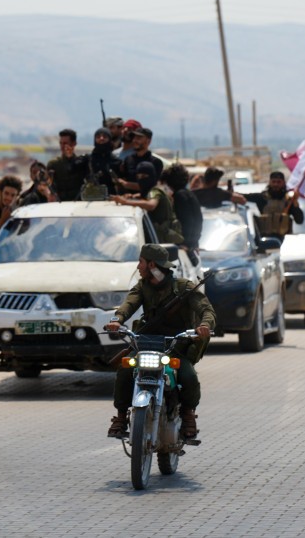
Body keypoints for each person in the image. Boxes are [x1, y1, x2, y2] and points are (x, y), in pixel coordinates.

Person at [105, 244, 215, 439]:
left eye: (141, 262)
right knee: (125, 370)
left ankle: (188, 415)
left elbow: (206, 309)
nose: (138, 266)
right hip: (146, 343)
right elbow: (129, 304)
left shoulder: (184, 288)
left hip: (176, 346)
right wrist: (117, 320)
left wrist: (204, 325)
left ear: (152, 264)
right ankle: (121, 417)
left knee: (188, 376)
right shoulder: (142, 287)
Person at [110, 161, 184, 245]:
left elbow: (151, 205)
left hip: (163, 240)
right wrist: (132, 196)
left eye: (144, 176)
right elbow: (146, 197)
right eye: (138, 177)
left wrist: (125, 202)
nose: (141, 179)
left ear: (152, 177)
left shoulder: (155, 191)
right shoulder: (155, 191)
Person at [233, 171, 305, 240]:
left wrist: (295, 203)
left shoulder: (288, 201)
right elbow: (243, 197)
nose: (276, 184)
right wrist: (230, 194)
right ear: (270, 182)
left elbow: (299, 220)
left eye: (278, 182)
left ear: (283, 183)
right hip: (264, 240)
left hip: (284, 240)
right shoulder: (262, 198)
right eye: (273, 182)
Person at [163, 163, 203, 265]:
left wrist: (184, 244)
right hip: (191, 245)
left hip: (185, 247)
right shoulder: (188, 193)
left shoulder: (180, 196)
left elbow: (187, 221)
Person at [117, 127, 164, 195]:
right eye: (134, 138)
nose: (135, 141)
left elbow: (152, 187)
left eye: (139, 138)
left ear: (148, 141)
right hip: (128, 200)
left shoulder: (156, 162)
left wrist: (126, 184)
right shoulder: (128, 160)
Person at [47, 128, 88, 202]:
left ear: (74, 143)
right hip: (60, 204)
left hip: (78, 203)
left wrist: (71, 159)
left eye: (65, 143)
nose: (62, 146)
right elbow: (50, 185)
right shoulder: (54, 164)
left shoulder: (81, 163)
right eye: (61, 143)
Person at [84, 127, 121, 199]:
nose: (101, 138)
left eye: (105, 136)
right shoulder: (87, 159)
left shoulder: (116, 161)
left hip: (112, 198)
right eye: (98, 137)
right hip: (91, 197)